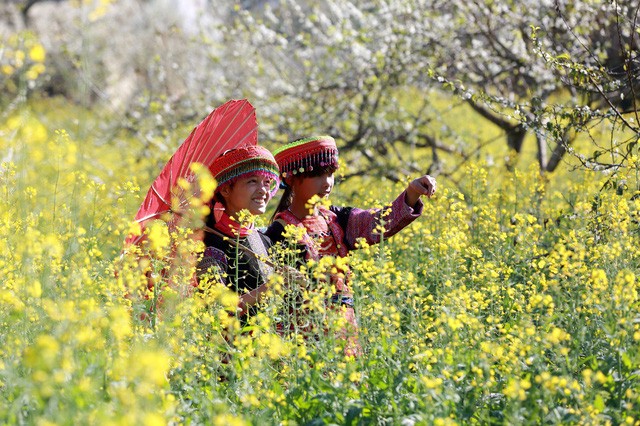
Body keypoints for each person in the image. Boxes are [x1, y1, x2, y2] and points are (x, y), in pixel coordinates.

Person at [265, 135, 436, 356]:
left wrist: (411, 194)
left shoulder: (337, 219)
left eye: (330, 174)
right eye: (317, 175)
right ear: (292, 179)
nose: (327, 183)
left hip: (344, 333)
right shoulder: (278, 231)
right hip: (303, 340)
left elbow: (376, 223)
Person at [196, 144, 280, 318]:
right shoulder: (210, 244)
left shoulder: (264, 238)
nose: (263, 190)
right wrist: (269, 287)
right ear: (226, 189)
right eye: (252, 181)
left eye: (266, 182)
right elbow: (217, 309)